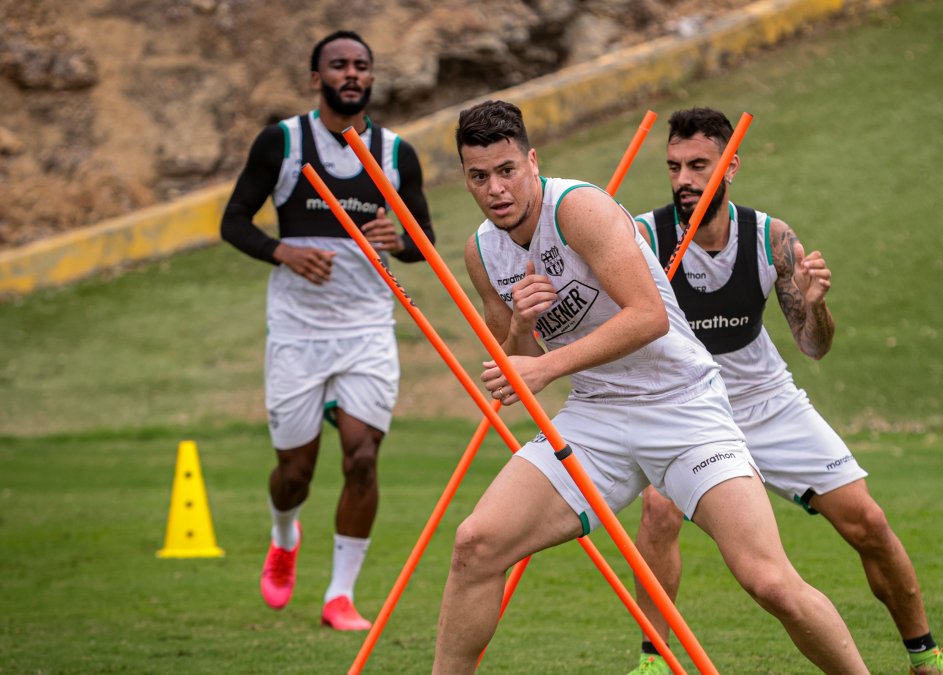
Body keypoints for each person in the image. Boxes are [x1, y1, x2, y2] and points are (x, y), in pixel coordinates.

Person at [436, 99, 869, 674]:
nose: (495, 189)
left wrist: (549, 365)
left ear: (532, 161)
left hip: (683, 405)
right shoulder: (482, 253)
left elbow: (648, 317)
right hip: (595, 417)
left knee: (768, 580)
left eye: (507, 170)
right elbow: (516, 369)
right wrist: (519, 327)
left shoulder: (579, 209)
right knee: (475, 545)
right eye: (478, 176)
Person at [624, 107, 943, 675]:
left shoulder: (771, 237)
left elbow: (814, 347)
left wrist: (816, 307)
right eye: (674, 167)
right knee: (658, 512)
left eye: (699, 165)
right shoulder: (642, 237)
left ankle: (927, 658)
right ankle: (654, 663)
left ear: (731, 165)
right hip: (687, 407)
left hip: (767, 401)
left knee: (868, 522)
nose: (685, 181)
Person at [219, 30, 434, 631]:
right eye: (338, 65)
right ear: (317, 77)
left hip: (368, 326)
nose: (351, 73)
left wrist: (404, 239)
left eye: (361, 65)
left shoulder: (396, 154)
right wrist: (281, 251)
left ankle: (340, 595)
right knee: (296, 470)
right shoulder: (283, 143)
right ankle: (285, 534)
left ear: (371, 77)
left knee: (362, 457)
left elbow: (425, 245)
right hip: (297, 328)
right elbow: (233, 222)